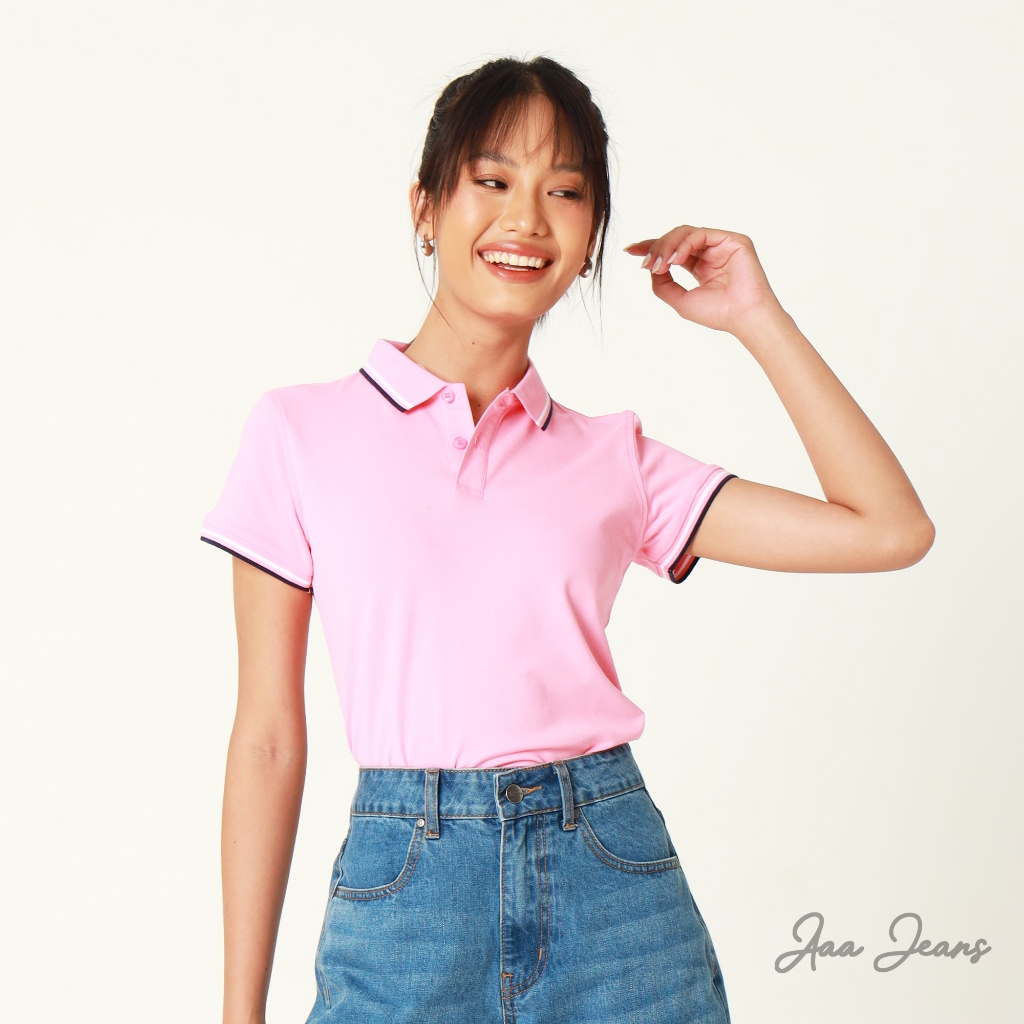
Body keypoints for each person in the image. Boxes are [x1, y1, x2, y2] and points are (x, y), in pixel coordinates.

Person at [201, 56, 934, 1024]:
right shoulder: (300, 433)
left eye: (565, 192)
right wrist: (239, 1012)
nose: (526, 219)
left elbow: (888, 530)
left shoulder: (610, 458)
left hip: (612, 879)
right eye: (492, 180)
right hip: (406, 892)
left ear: (591, 239)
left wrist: (757, 317)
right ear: (425, 207)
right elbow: (265, 738)